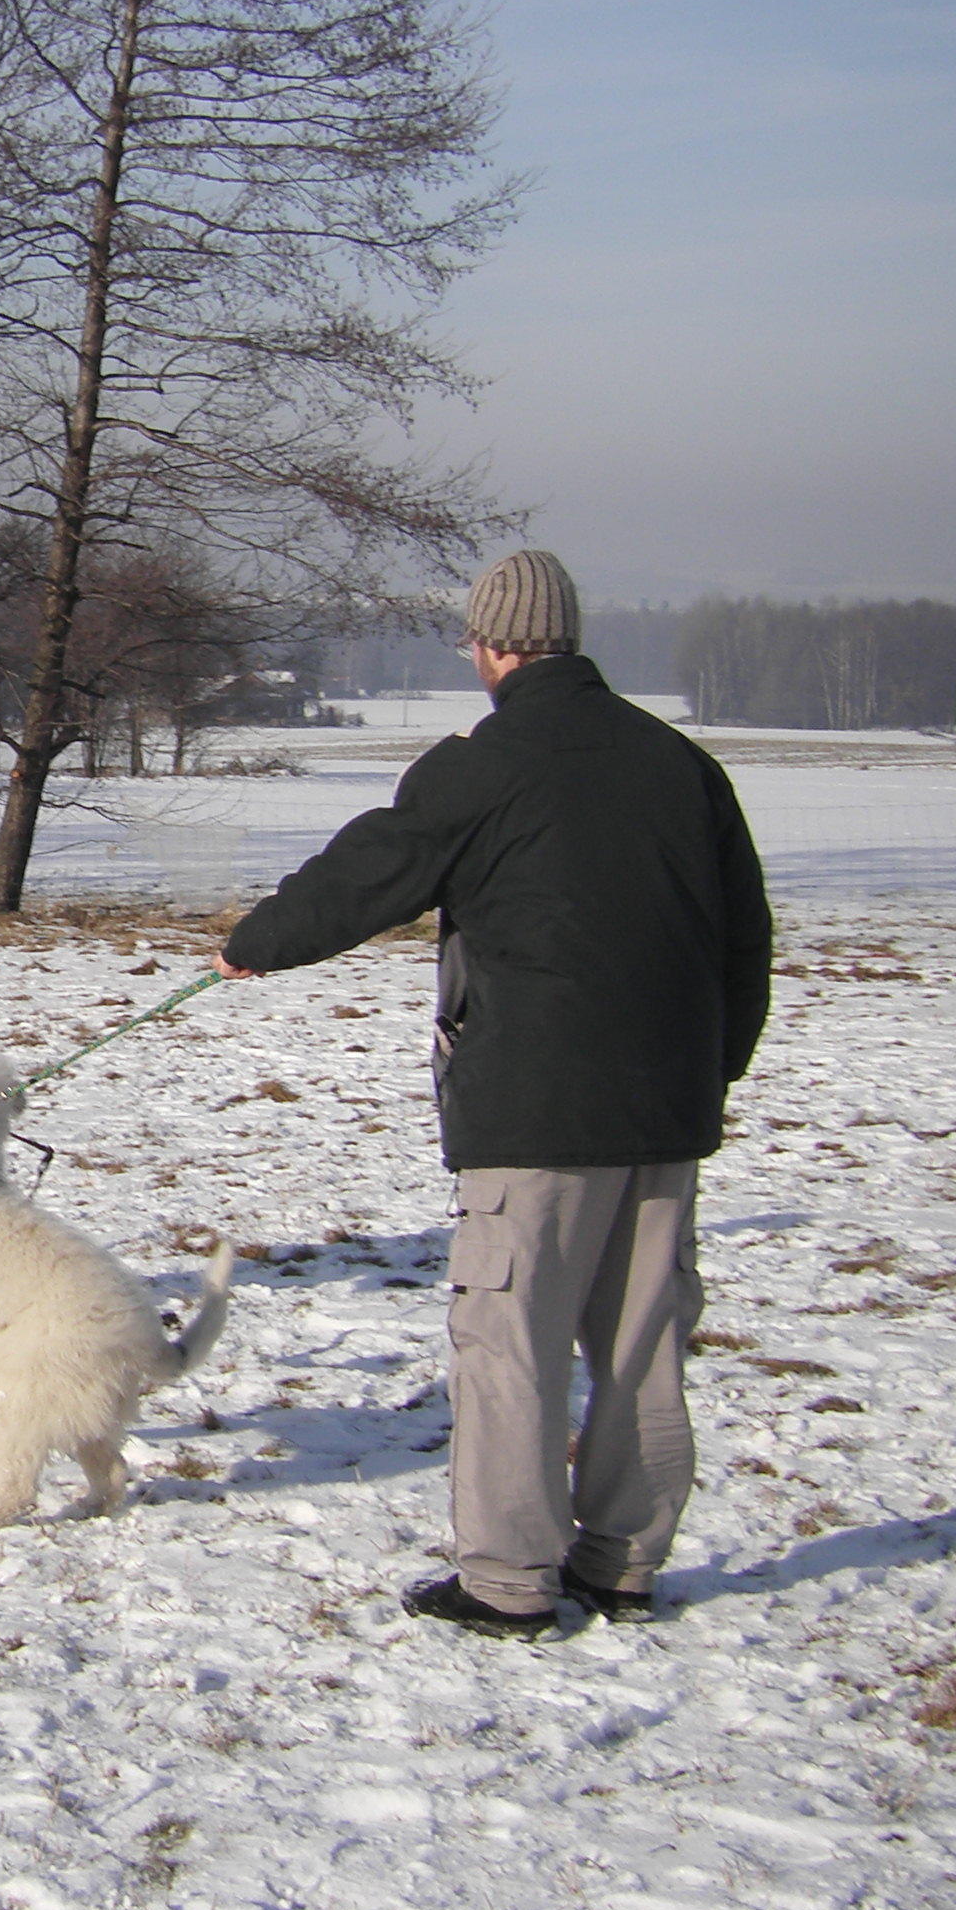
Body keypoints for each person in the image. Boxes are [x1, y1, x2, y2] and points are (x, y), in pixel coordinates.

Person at [213, 550, 770, 1635]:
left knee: (510, 1340)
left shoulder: (485, 760)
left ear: (493, 645)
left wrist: (257, 943)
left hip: (536, 1111)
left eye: (473, 642)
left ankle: (508, 1579)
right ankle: (622, 1563)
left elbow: (375, 866)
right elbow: (745, 939)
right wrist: (713, 1069)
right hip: (666, 1112)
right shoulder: (681, 764)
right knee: (641, 1343)